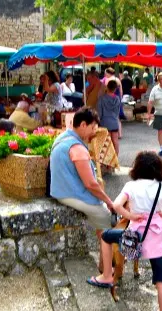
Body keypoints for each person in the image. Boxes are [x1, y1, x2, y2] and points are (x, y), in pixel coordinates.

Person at [87, 151, 162, 311]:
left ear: (137, 168)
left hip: (134, 237)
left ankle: (106, 276)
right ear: (159, 168)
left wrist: (131, 216)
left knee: (105, 236)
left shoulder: (131, 186)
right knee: (160, 276)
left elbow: (117, 205)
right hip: (156, 236)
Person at [50, 107, 114, 277]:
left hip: (60, 189)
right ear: (83, 125)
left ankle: (104, 260)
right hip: (69, 193)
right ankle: (106, 270)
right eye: (93, 128)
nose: (95, 131)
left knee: (101, 221)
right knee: (107, 219)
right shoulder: (77, 148)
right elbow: (90, 184)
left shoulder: (63, 137)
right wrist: (108, 201)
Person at [96, 80, 121, 155]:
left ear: (107, 87)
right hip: (114, 122)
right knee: (115, 141)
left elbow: (99, 113)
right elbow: (117, 112)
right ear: (115, 89)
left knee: (106, 143)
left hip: (104, 122)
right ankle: (116, 158)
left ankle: (108, 160)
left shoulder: (101, 98)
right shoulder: (117, 99)